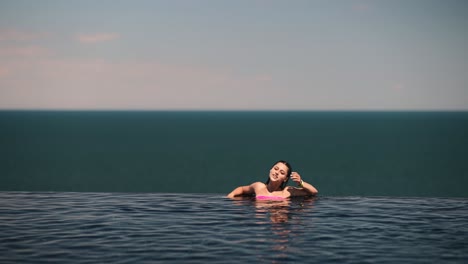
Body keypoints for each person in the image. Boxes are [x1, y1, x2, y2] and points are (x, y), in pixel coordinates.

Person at [227, 160, 318, 199]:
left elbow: (313, 192)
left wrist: (300, 182)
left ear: (285, 179)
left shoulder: (287, 191)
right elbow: (242, 189)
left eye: (282, 173)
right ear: (270, 170)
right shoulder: (259, 186)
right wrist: (230, 196)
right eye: (275, 168)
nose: (277, 172)